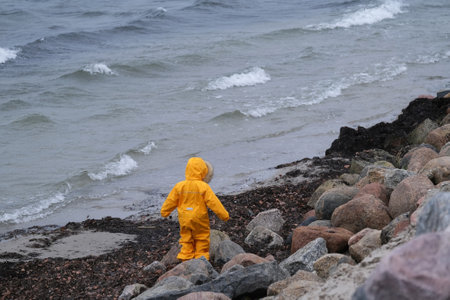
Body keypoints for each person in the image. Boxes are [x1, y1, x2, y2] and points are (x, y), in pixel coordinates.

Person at [161, 157, 229, 261]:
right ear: (203, 171)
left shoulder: (179, 186)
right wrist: (224, 215)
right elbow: (214, 202)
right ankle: (201, 259)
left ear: (187, 170)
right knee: (202, 238)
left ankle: (185, 258)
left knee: (186, 239)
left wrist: (164, 212)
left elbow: (170, 201)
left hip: (184, 218)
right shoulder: (203, 187)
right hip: (199, 218)